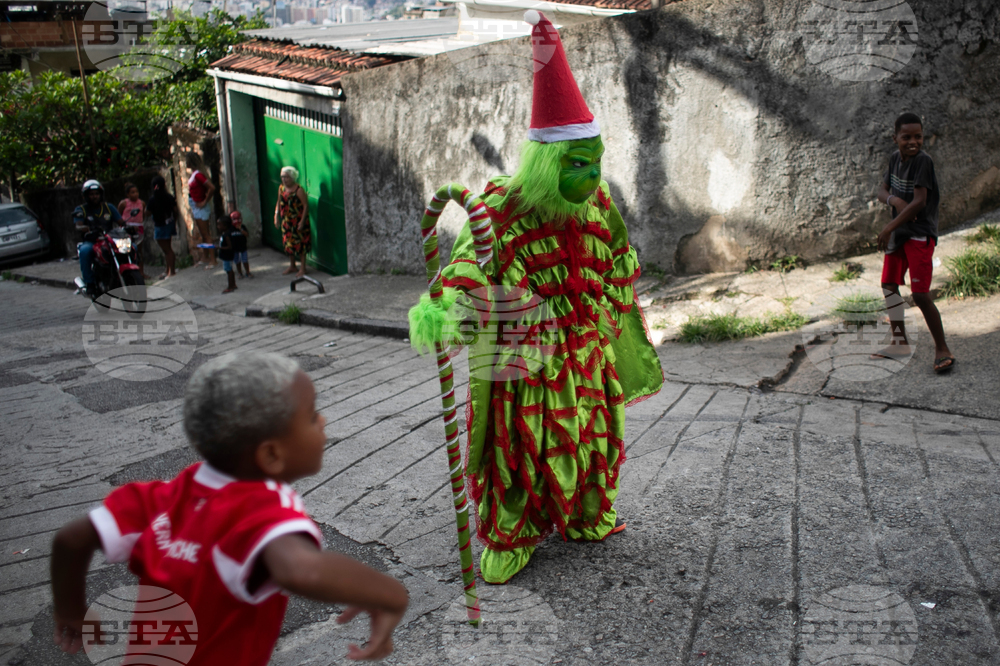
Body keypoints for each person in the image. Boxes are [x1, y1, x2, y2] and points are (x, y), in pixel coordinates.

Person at [408, 10, 663, 585]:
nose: (593, 176)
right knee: (523, 447)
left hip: (586, 353)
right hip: (526, 357)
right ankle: (514, 531)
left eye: (597, 162)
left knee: (593, 437)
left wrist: (604, 314)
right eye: (580, 164)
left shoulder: (599, 209)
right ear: (549, 161)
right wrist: (447, 304)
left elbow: (617, 264)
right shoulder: (504, 208)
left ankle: (586, 515)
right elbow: (473, 260)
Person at [50, 351, 409, 664]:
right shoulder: (262, 507)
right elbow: (302, 571)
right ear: (270, 454)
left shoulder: (162, 497)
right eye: (312, 416)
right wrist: (391, 594)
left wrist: (70, 610)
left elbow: (71, 539)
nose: (323, 422)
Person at [874, 112, 955, 373]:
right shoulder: (895, 159)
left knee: (920, 294)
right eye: (906, 137)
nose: (913, 142)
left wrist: (889, 226)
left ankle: (942, 348)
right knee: (888, 284)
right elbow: (881, 191)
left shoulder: (923, 162)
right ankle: (899, 342)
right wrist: (894, 201)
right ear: (895, 137)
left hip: (919, 233)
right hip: (900, 233)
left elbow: (919, 202)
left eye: (918, 136)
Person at [74, 179, 123, 297]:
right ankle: (90, 284)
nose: (94, 197)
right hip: (92, 240)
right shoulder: (81, 209)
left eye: (96, 194)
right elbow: (78, 224)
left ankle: (132, 273)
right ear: (86, 196)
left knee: (132, 247)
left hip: (109, 239)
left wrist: (129, 226)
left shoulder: (109, 207)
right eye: (91, 194)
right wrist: (83, 228)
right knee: (85, 251)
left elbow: (121, 222)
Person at [273, 166, 310, 277]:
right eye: (282, 177)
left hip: (297, 221)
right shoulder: (281, 188)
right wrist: (276, 215)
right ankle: (292, 265)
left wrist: (302, 221)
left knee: (301, 244)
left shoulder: (299, 190)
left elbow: (305, 205)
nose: (284, 179)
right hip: (287, 221)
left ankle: (303, 268)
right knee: (288, 244)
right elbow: (279, 202)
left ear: (292, 177)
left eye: (287, 177)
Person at [185, 152, 217, 269]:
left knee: (206, 234)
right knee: (203, 234)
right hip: (196, 206)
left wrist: (204, 201)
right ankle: (205, 257)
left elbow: (211, 187)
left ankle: (213, 259)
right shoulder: (194, 174)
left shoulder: (198, 175)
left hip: (201, 207)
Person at [148, 175, 179, 280]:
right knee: (168, 248)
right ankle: (168, 269)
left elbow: (147, 213)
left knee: (167, 250)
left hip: (160, 226)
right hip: (169, 223)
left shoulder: (153, 200)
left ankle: (172, 271)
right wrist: (175, 221)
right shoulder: (169, 197)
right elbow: (175, 210)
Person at [118, 182, 148, 279]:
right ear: (127, 194)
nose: (135, 194)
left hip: (138, 228)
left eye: (136, 192)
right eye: (132, 192)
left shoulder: (142, 203)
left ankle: (141, 272)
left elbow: (143, 215)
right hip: (127, 228)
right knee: (126, 250)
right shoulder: (124, 203)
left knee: (139, 251)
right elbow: (119, 216)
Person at [218, 214, 237, 294]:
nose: (218, 226)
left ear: (225, 226)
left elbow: (229, 247)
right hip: (226, 256)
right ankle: (233, 285)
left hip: (227, 256)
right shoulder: (224, 234)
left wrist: (218, 248)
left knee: (229, 271)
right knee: (229, 270)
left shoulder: (227, 235)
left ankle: (230, 286)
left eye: (219, 225)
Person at [230, 209, 252, 278]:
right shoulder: (231, 229)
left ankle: (247, 272)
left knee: (245, 260)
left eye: (238, 219)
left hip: (243, 247)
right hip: (235, 248)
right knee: (237, 261)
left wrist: (241, 230)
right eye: (234, 219)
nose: (237, 221)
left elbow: (247, 235)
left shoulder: (243, 227)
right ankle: (240, 273)